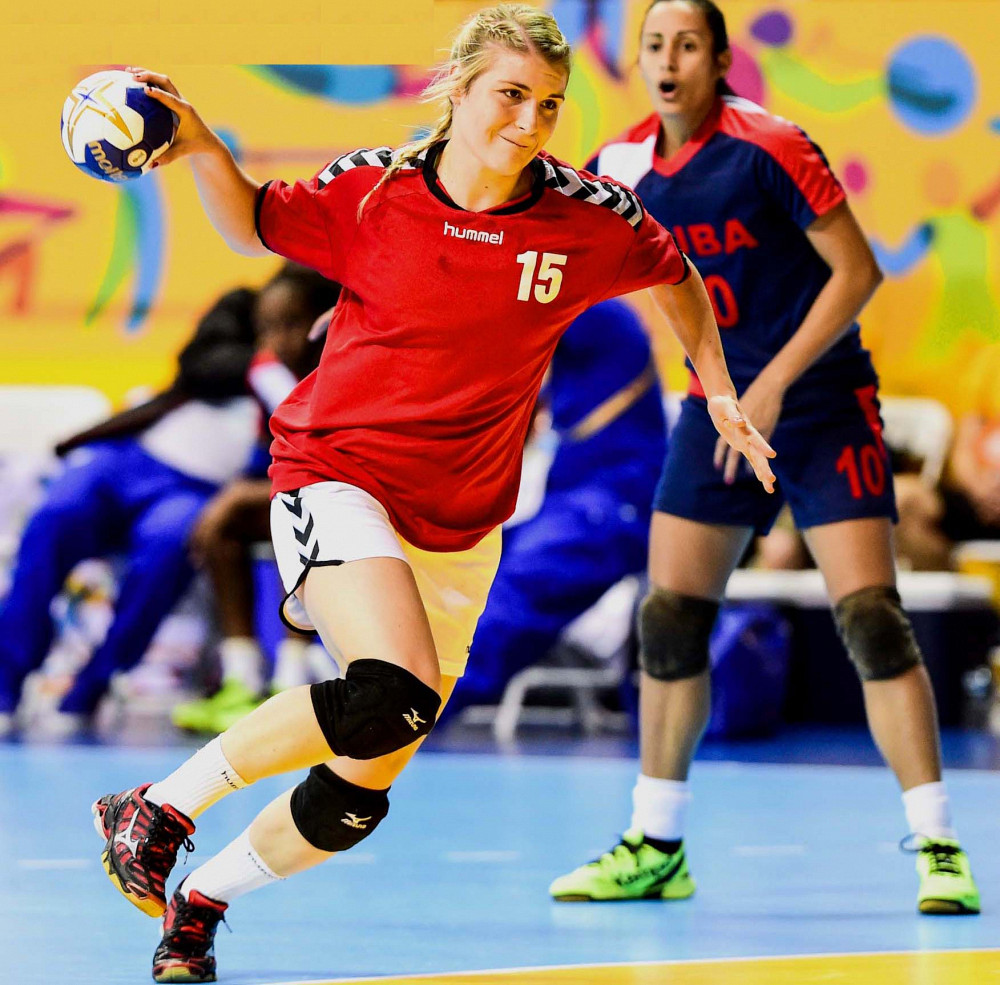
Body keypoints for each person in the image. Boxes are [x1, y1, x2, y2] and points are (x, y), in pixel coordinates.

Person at [90, 6, 775, 982]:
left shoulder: (586, 219)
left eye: (547, 104)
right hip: (337, 472)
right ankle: (158, 807)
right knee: (392, 687)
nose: (529, 122)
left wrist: (717, 390)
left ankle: (198, 907)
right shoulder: (373, 192)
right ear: (457, 89)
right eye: (508, 96)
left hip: (462, 524)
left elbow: (675, 277)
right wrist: (198, 141)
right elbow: (249, 219)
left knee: (363, 785)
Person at [549, 0, 979, 915]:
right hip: (714, 413)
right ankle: (657, 843)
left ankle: (939, 842)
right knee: (667, 620)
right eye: (654, 45)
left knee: (872, 621)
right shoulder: (621, 166)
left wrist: (776, 381)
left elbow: (857, 270)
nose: (669, 60)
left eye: (688, 45)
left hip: (820, 408)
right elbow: (542, 240)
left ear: (718, 59)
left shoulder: (771, 144)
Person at [0, 285, 261, 736]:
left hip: (198, 489)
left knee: (165, 549)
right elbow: (196, 368)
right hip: (127, 462)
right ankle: (5, 682)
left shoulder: (310, 368)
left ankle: (89, 688)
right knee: (54, 517)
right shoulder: (244, 320)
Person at [442, 296, 666, 720]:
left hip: (618, 502)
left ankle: (414, 706)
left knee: (519, 585)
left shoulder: (600, 311)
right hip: (574, 499)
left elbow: (503, 312)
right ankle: (386, 687)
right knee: (464, 566)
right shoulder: (570, 368)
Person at [172, 264, 340, 734]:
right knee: (221, 528)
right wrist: (239, 494)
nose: (275, 340)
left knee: (296, 515)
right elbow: (255, 467)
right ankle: (241, 678)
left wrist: (242, 494)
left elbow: (329, 468)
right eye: (265, 328)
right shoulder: (266, 375)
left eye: (289, 326)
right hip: (282, 499)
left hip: (337, 502)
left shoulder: (336, 375)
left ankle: (292, 676)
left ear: (321, 323)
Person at [895, 342, 1000, 571]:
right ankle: (949, 586)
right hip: (975, 499)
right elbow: (963, 445)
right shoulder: (991, 361)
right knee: (900, 499)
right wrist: (979, 488)